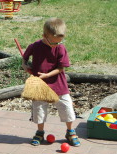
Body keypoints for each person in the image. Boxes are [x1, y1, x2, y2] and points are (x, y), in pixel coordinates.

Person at [21, 18, 80, 147]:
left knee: (67, 107)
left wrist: (47, 75)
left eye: (59, 42)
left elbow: (61, 68)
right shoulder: (35, 46)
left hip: (58, 84)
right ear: (44, 36)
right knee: (39, 110)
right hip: (39, 86)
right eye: (53, 42)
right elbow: (24, 60)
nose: (56, 45)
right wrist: (25, 66)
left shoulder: (60, 48)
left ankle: (70, 131)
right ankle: (40, 132)